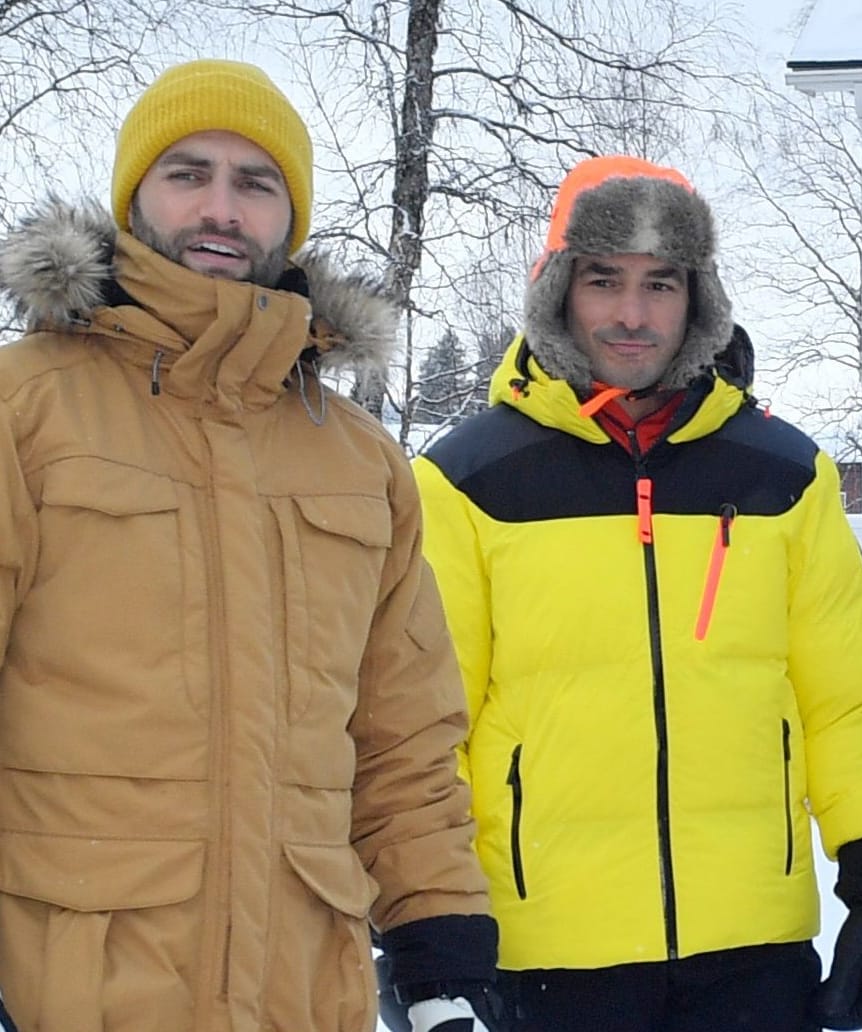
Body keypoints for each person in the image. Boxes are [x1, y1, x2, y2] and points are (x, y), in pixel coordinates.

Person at [0, 60, 499, 1032]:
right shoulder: (27, 408)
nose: (220, 208)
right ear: (135, 196)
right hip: (72, 989)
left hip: (304, 991)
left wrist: (441, 941)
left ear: (290, 216)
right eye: (188, 173)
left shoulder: (360, 461)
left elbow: (404, 741)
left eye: (256, 182)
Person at [412, 155, 862, 1032]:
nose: (631, 313)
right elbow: (421, 728)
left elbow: (846, 698)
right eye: (603, 279)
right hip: (546, 955)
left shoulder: (784, 474)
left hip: (752, 952)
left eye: (661, 282)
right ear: (557, 290)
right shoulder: (465, 481)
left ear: (699, 297)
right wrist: (424, 930)